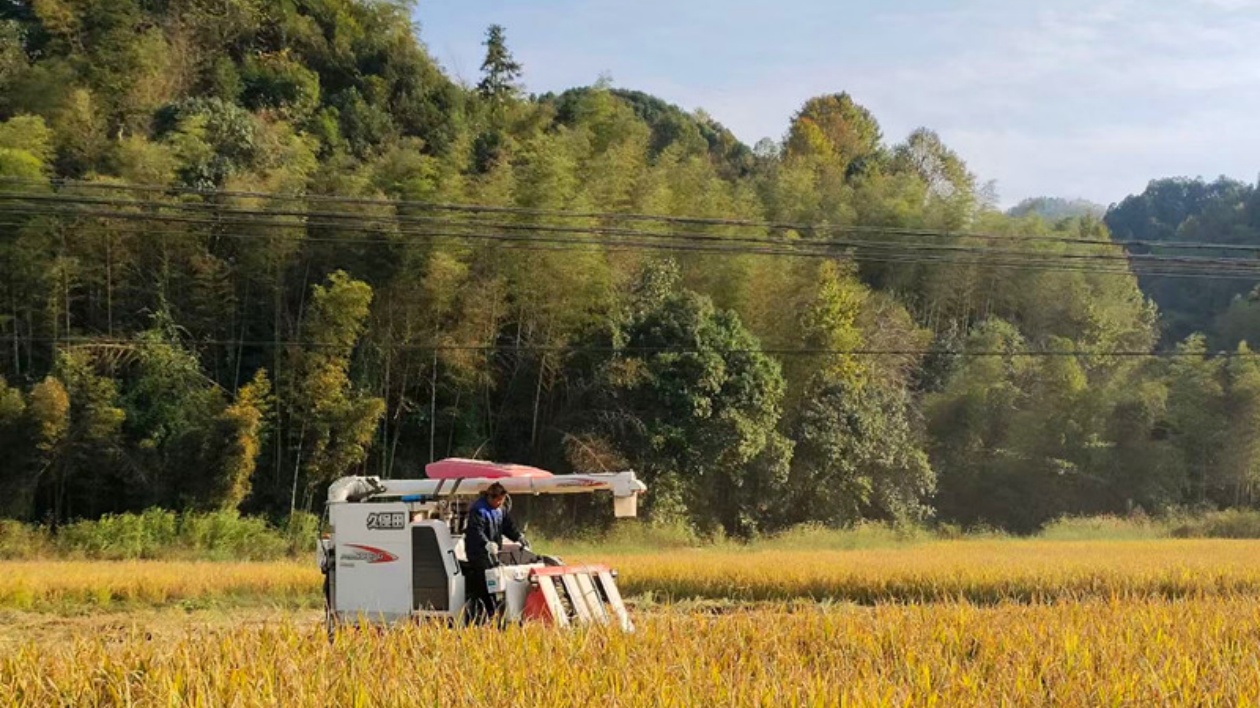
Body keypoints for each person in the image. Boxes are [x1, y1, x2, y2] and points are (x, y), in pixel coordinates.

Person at [463, 482, 528, 624]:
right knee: (487, 582)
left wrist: (518, 537)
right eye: (498, 500)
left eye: (502, 500)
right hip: (478, 552)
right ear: (490, 497)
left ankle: (500, 612)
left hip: (492, 552)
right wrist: (485, 543)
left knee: (497, 578)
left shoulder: (500, 510)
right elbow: (475, 531)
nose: (500, 502)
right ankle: (490, 615)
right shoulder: (478, 510)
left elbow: (507, 526)